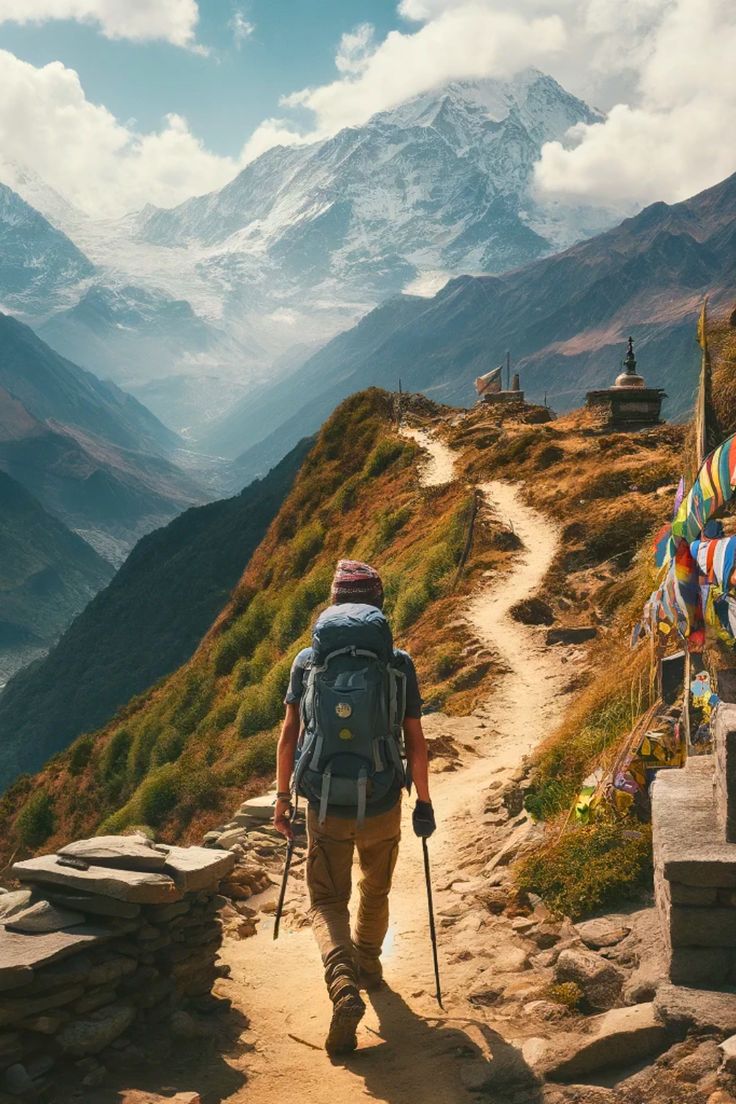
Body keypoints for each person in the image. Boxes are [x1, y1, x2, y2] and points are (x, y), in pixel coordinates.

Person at [273, 559, 436, 1056]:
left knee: (325, 900)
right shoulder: (399, 663)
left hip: (324, 800)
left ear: (334, 602)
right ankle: (368, 966)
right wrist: (424, 802)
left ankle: (341, 979)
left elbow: (288, 737)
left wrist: (283, 799)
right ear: (377, 603)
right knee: (376, 888)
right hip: (384, 796)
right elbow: (416, 741)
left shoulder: (307, 661)